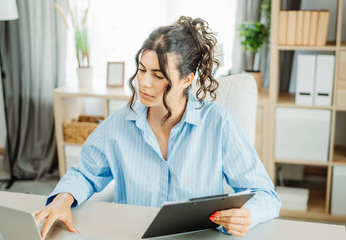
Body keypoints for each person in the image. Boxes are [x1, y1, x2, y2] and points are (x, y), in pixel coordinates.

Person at [35, 16, 281, 239]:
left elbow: (266, 195)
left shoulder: (220, 124)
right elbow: (85, 173)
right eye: (142, 70)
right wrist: (63, 199)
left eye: (158, 75)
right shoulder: (121, 123)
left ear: (186, 80)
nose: (144, 83)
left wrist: (247, 215)